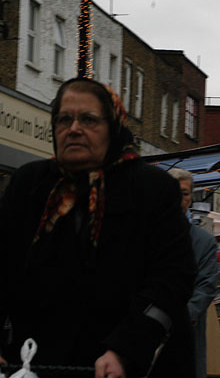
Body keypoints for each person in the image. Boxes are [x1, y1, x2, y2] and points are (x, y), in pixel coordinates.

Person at [0, 77, 196, 378]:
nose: (74, 128)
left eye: (88, 119)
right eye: (64, 119)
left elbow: (172, 279)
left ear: (113, 127)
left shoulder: (151, 190)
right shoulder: (29, 184)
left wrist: (126, 349)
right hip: (35, 359)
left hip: (122, 363)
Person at [168, 168, 218, 378]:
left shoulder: (204, 242)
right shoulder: (145, 234)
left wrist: (178, 320)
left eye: (185, 193)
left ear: (190, 198)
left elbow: (206, 287)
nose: (180, 198)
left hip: (185, 330)